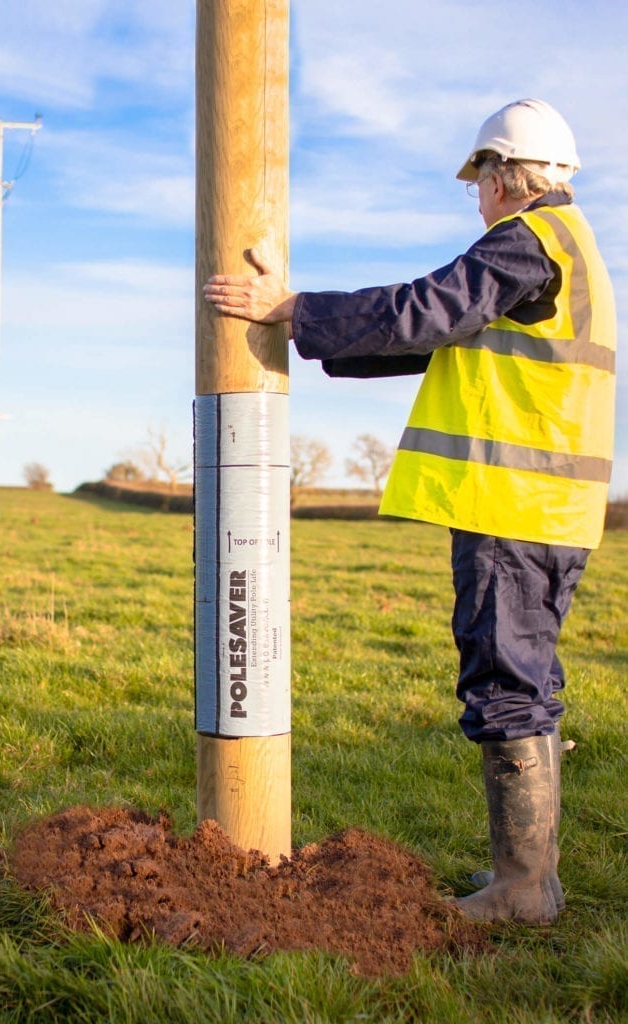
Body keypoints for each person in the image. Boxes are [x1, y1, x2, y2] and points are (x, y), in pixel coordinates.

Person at [202, 99, 616, 925]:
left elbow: (429, 307)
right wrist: (315, 330)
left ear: (503, 177)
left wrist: (294, 309)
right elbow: (437, 335)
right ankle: (534, 879)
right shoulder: (569, 251)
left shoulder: (527, 241)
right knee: (525, 680)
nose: (478, 198)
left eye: (480, 183)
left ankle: (524, 887)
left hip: (514, 505)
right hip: (548, 510)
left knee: (508, 683)